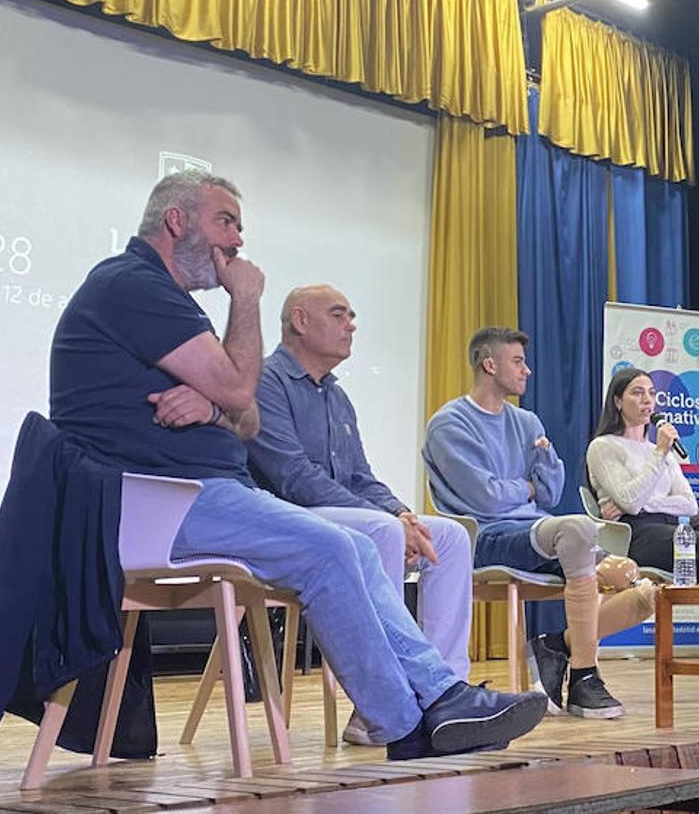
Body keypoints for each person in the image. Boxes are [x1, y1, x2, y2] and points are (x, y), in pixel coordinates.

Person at [48, 170, 545, 759]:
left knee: (354, 546)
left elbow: (243, 415)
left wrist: (213, 404)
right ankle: (410, 721)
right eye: (225, 222)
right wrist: (246, 307)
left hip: (198, 493)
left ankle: (435, 701)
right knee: (336, 548)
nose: (237, 242)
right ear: (176, 221)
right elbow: (243, 392)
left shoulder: (167, 301)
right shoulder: (133, 284)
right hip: (152, 501)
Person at [245, 284, 473, 745]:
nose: (351, 324)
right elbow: (292, 477)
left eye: (351, 315)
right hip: (284, 522)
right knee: (380, 531)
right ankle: (381, 705)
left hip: (343, 515)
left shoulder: (336, 396)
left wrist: (404, 513)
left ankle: (446, 694)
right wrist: (387, 520)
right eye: (338, 314)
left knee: (448, 536)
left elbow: (360, 476)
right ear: (299, 321)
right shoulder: (265, 382)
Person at [422, 328, 656, 720]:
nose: (527, 371)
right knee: (578, 528)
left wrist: (528, 487)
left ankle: (557, 646)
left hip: (535, 532)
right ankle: (584, 674)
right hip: (485, 536)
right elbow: (486, 499)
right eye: (518, 361)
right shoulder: (450, 424)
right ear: (489, 364)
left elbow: (548, 493)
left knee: (642, 587)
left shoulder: (527, 422)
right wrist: (527, 486)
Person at [585, 366, 699, 655]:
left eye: (651, 393)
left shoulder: (664, 449)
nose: (647, 400)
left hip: (675, 526)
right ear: (618, 401)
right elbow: (632, 504)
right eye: (637, 393)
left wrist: (644, 499)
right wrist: (657, 456)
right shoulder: (604, 447)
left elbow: (688, 503)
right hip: (637, 533)